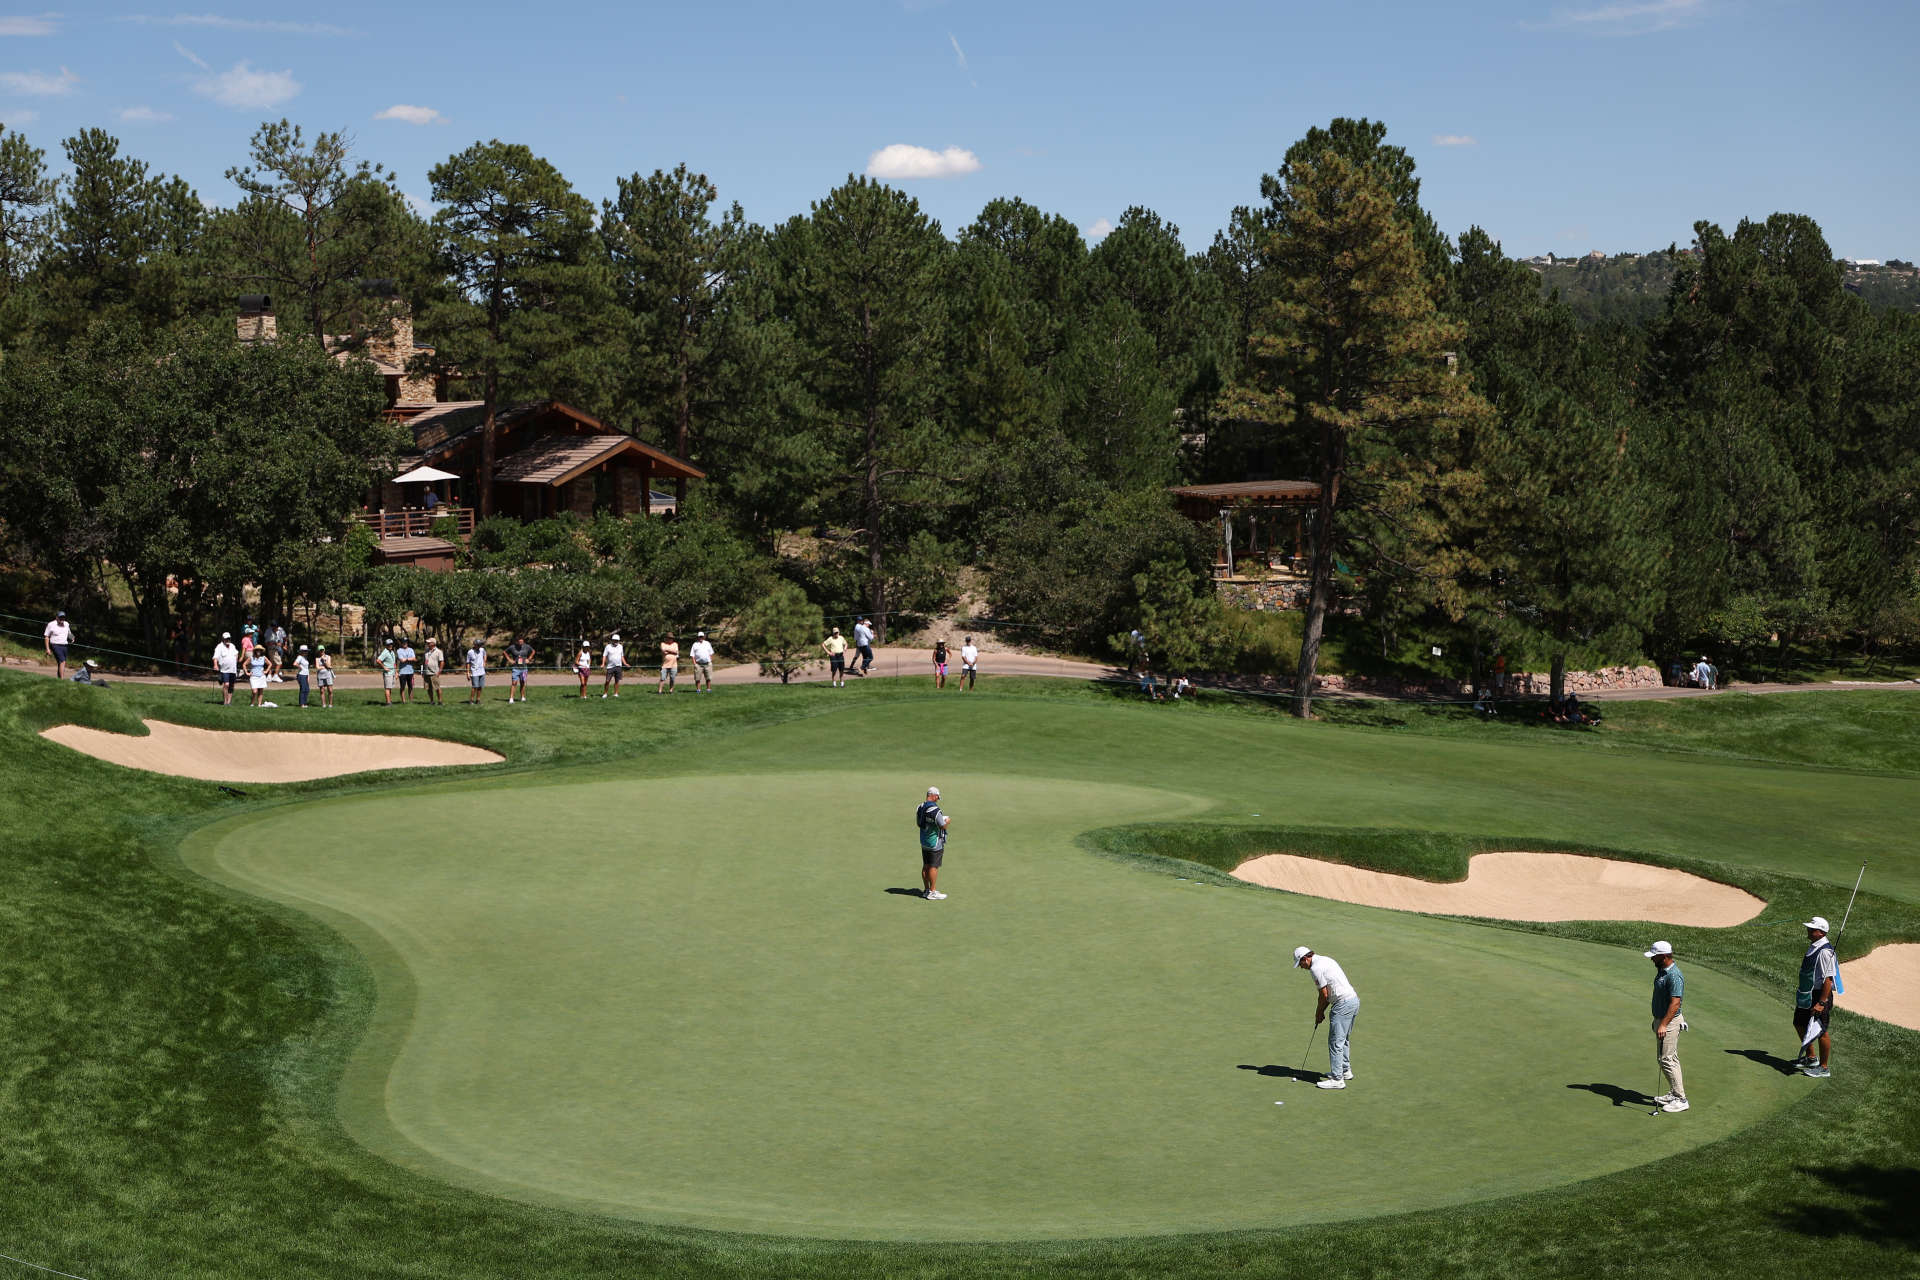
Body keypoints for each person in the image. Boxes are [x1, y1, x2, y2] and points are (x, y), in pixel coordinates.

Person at [1292, 946, 1360, 1089]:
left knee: (1335, 1042)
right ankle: (1345, 1070)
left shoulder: (1315, 969)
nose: (1301, 968)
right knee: (1343, 1039)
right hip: (1353, 1000)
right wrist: (1321, 1011)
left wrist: (1319, 1012)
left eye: (1301, 964)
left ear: (1305, 958)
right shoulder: (1325, 959)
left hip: (1343, 1004)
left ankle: (1337, 1079)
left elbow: (1324, 996)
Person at [1644, 940, 1689, 1112]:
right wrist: (1657, 1020)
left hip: (1668, 1022)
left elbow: (1675, 1004)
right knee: (1668, 1058)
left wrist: (1663, 1024)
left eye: (1654, 956)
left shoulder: (1674, 975)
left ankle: (1681, 1099)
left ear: (1663, 956)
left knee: (1667, 1060)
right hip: (1662, 1020)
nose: (1651, 959)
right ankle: (1674, 1092)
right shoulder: (1662, 970)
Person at [1792, 916, 1839, 1078]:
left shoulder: (1825, 952)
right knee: (1799, 1023)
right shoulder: (1813, 946)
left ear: (1821, 932)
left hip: (1819, 996)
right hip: (1806, 994)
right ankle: (1811, 1058)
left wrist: (1821, 1002)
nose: (1809, 931)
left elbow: (1828, 980)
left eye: (1812, 929)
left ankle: (1824, 1067)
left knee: (1820, 1031)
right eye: (1809, 928)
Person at [916, 786, 952, 900]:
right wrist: (947, 821)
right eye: (937, 797)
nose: (937, 799)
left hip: (924, 841)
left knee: (926, 865)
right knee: (933, 866)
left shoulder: (920, 807)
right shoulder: (935, 810)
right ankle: (932, 891)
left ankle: (926, 890)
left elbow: (918, 823)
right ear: (934, 795)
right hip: (934, 842)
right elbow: (942, 825)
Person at [43, 610, 73, 680]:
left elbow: (69, 633)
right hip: (55, 645)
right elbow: (47, 637)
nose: (62, 619)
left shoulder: (66, 624)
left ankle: (59, 679)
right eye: (60, 617)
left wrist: (72, 638)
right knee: (62, 661)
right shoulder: (51, 624)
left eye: (63, 617)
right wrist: (47, 649)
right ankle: (62, 679)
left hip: (65, 645)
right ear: (56, 617)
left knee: (61, 663)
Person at [212, 631, 240, 706]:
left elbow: (236, 652)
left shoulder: (232, 646)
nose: (227, 640)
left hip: (233, 669)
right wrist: (215, 665)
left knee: (232, 685)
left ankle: (229, 702)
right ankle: (225, 702)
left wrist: (236, 657)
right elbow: (215, 657)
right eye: (226, 638)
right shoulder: (219, 646)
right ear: (223, 639)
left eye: (229, 638)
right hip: (224, 670)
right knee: (226, 684)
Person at [505, 635, 535, 704]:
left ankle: (522, 697)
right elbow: (505, 652)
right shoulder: (512, 647)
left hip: (524, 668)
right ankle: (511, 698)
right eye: (519, 642)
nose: (521, 643)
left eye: (522, 641)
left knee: (523, 683)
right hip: (515, 668)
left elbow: (533, 651)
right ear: (517, 641)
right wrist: (509, 660)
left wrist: (529, 659)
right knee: (514, 683)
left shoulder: (527, 646)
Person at [246, 643, 270, 707]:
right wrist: (247, 672)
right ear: (255, 651)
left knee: (261, 691)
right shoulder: (251, 658)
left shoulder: (263, 658)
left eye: (260, 650)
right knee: (254, 691)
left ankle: (259, 704)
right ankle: (252, 702)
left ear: (261, 651)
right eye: (257, 650)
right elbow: (244, 664)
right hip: (253, 676)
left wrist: (266, 671)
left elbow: (270, 664)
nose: (258, 651)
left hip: (261, 676)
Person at [465, 638, 487, 705]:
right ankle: (471, 700)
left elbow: (485, 655)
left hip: (482, 671)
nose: (479, 646)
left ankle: (478, 700)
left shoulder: (482, 650)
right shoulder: (470, 652)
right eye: (478, 645)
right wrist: (468, 673)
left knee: (480, 687)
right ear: (475, 645)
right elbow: (468, 663)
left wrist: (484, 662)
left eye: (480, 645)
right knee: (475, 687)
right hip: (474, 672)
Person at [422, 637, 445, 705]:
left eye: (429, 642)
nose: (427, 643)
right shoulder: (426, 651)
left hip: (434, 673)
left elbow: (442, 662)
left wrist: (439, 672)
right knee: (428, 688)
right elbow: (423, 662)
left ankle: (440, 701)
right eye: (427, 642)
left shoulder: (439, 651)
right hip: (426, 672)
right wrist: (422, 671)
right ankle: (431, 701)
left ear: (433, 643)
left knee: (437, 688)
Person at [395, 636, 417, 704]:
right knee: (402, 687)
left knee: (410, 687)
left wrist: (407, 659)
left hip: (410, 671)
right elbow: (402, 660)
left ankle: (411, 701)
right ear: (401, 643)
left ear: (407, 643)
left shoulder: (411, 650)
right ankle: (403, 701)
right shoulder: (399, 650)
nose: (405, 643)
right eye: (403, 642)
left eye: (406, 642)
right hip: (402, 671)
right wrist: (409, 659)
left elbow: (414, 659)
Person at [602, 632, 625, 698]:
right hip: (610, 667)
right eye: (614, 640)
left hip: (618, 666)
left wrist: (625, 663)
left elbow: (622, 656)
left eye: (617, 640)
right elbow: (604, 655)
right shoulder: (608, 646)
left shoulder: (621, 646)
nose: (616, 641)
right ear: (612, 640)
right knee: (607, 681)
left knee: (617, 681)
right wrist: (603, 663)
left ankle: (616, 693)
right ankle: (605, 693)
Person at [376, 637, 397, 707]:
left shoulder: (392, 652)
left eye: (391, 644)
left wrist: (396, 671)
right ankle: (388, 703)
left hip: (393, 672)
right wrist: (384, 667)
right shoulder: (385, 652)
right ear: (386, 645)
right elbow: (378, 660)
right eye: (389, 644)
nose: (390, 645)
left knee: (390, 688)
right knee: (387, 688)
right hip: (388, 674)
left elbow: (394, 663)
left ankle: (389, 701)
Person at [294, 644, 311, 708]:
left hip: (306, 675)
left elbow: (307, 668)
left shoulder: (305, 658)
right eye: (304, 651)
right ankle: (302, 704)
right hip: (301, 675)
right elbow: (295, 663)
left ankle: (305, 703)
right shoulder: (299, 657)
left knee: (307, 689)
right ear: (301, 651)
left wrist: (308, 676)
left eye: (306, 651)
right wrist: (300, 667)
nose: (306, 652)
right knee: (303, 689)